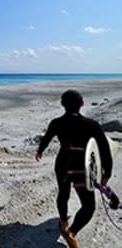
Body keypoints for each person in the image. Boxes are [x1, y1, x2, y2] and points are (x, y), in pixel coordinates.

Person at [35, 89, 112, 248]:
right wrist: (107, 173)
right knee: (88, 206)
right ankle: (72, 232)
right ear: (82, 104)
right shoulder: (92, 125)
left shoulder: (56, 122)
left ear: (62, 105)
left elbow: (47, 138)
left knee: (63, 193)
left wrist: (40, 151)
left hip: (63, 163)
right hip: (83, 166)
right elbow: (104, 150)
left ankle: (63, 222)